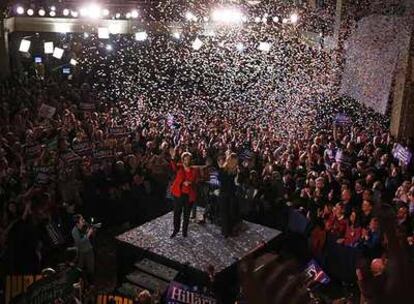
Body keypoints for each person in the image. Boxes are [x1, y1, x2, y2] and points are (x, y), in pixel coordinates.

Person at [170, 152, 199, 238]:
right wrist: (172, 157)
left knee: (186, 215)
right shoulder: (179, 168)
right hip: (179, 194)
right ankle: (176, 230)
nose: (187, 161)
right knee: (177, 213)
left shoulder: (194, 170)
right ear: (182, 160)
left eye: (189, 159)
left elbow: (197, 181)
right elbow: (173, 166)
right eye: (185, 159)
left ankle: (184, 232)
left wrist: (191, 183)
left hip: (189, 195)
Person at [218, 153, 241, 238]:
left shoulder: (236, 171)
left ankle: (230, 230)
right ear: (229, 161)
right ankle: (225, 232)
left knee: (231, 213)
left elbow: (236, 183)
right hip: (224, 194)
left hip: (232, 194)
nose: (234, 163)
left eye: (235, 162)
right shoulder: (222, 170)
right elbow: (220, 179)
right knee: (224, 213)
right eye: (233, 161)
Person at [71, 214, 95, 284]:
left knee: (91, 268)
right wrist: (88, 234)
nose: (84, 220)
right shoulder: (74, 231)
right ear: (77, 223)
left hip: (89, 249)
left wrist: (92, 231)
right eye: (81, 220)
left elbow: (91, 237)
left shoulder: (85, 226)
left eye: (83, 218)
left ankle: (90, 284)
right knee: (79, 268)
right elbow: (79, 243)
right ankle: (77, 284)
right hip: (81, 251)